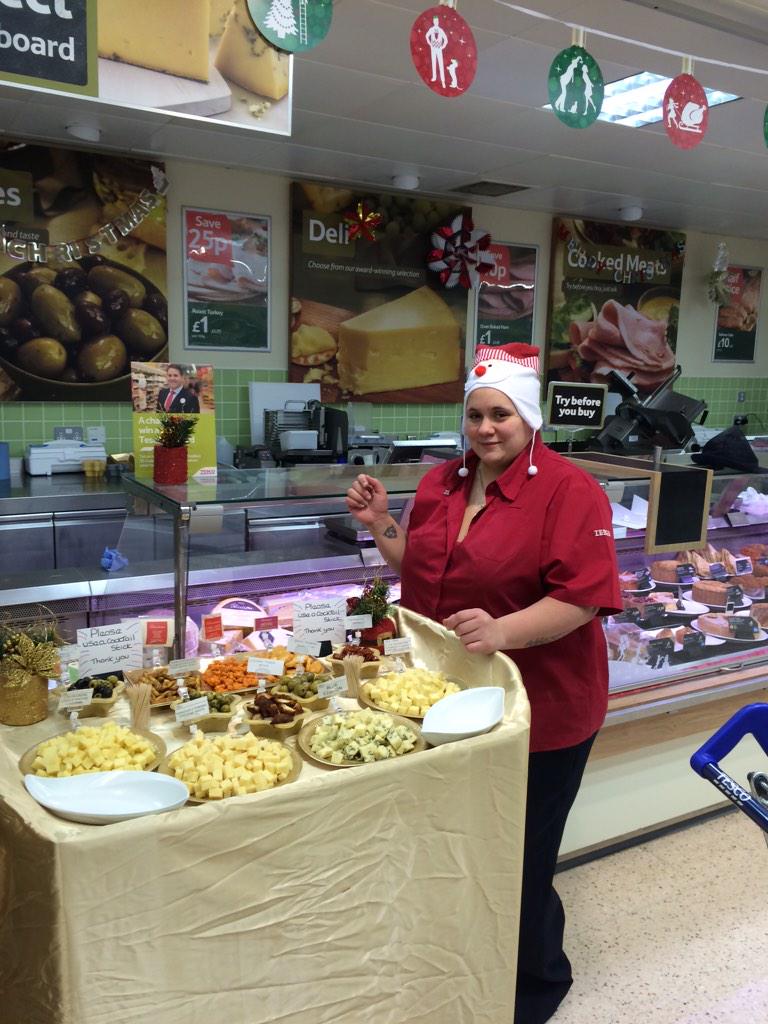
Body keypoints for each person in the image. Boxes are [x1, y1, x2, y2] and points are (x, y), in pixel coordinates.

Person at [345, 343, 621, 1024]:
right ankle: (462, 959)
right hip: (451, 704)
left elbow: (583, 598)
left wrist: (503, 631)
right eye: (475, 415)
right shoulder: (442, 482)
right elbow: (424, 566)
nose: (486, 428)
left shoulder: (568, 489)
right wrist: (380, 523)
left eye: (500, 414)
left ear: (528, 416)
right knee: (460, 847)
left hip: (543, 710)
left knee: (520, 859)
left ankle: (534, 988)